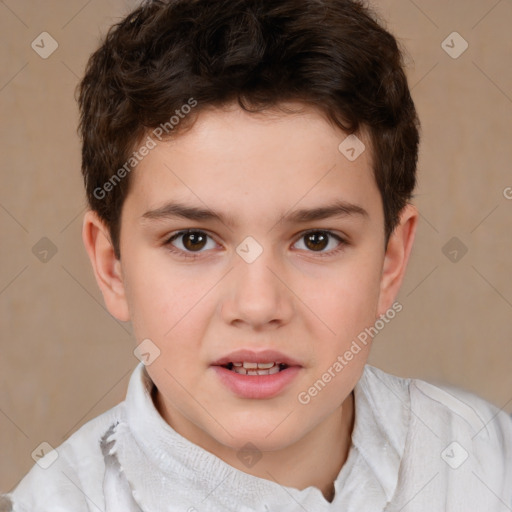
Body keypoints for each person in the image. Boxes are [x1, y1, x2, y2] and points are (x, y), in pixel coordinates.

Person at [2, 0, 511, 510]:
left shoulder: (490, 465)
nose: (258, 305)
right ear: (112, 266)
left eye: (317, 239)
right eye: (193, 240)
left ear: (390, 261)